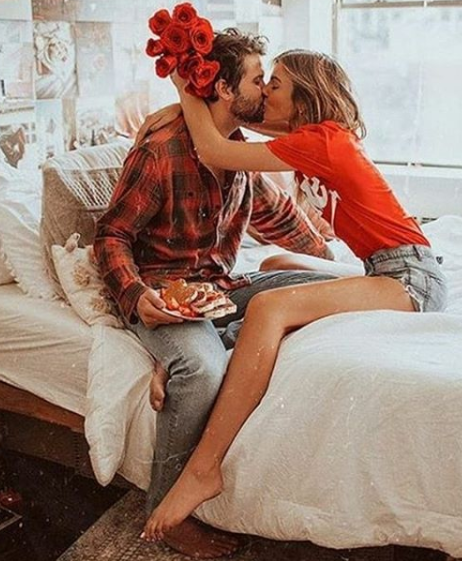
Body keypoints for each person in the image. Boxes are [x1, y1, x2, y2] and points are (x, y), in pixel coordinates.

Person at [140, 49, 448, 543]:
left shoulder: (322, 142)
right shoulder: (313, 136)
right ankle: (202, 344)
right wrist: (185, 108)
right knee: (275, 265)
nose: (265, 91)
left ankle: (204, 468)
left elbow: (214, 150)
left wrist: (184, 88)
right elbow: (232, 123)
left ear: (303, 98)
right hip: (388, 269)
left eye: (275, 83)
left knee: (269, 304)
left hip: (410, 278)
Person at [95, 33, 338, 559]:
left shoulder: (236, 150)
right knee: (202, 372)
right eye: (257, 79)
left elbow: (278, 216)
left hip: (221, 291)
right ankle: (168, 511)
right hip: (164, 293)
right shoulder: (161, 149)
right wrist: (135, 295)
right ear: (225, 89)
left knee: (330, 292)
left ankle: (196, 348)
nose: (265, 89)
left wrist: (332, 256)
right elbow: (110, 236)